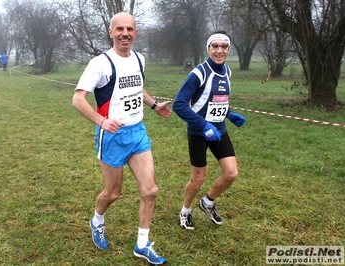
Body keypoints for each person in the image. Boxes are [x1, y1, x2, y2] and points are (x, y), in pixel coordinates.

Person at [72, 12, 171, 265]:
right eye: (119, 29)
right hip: (113, 136)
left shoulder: (140, 59)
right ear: (111, 32)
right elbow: (78, 99)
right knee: (113, 193)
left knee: (150, 190)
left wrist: (154, 105)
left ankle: (142, 244)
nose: (125, 33)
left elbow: (137, 87)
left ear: (135, 32)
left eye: (129, 29)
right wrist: (101, 121)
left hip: (137, 132)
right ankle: (97, 221)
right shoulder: (100, 63)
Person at [173, 31, 246, 230]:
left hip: (219, 130)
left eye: (224, 46)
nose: (219, 50)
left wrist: (230, 114)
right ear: (208, 48)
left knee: (231, 173)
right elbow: (179, 104)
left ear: (229, 50)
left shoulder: (227, 72)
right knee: (198, 178)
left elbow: (215, 100)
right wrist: (203, 125)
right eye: (215, 46)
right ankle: (185, 210)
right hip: (199, 132)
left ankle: (207, 202)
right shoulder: (199, 73)